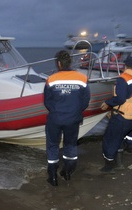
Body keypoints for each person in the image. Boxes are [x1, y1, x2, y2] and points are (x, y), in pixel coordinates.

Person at [44, 50, 90, 186]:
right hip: (73, 119)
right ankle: (68, 172)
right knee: (70, 145)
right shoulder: (82, 78)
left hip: (55, 118)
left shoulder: (51, 79)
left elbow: (47, 101)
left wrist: (57, 111)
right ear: (69, 62)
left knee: (52, 146)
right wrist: (75, 111)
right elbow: (85, 100)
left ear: (58, 63)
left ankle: (52, 177)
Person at [100, 56, 132, 173]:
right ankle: (119, 163)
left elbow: (121, 99)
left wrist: (108, 103)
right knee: (119, 139)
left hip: (122, 117)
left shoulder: (124, 78)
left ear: (125, 66)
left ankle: (109, 166)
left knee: (110, 140)